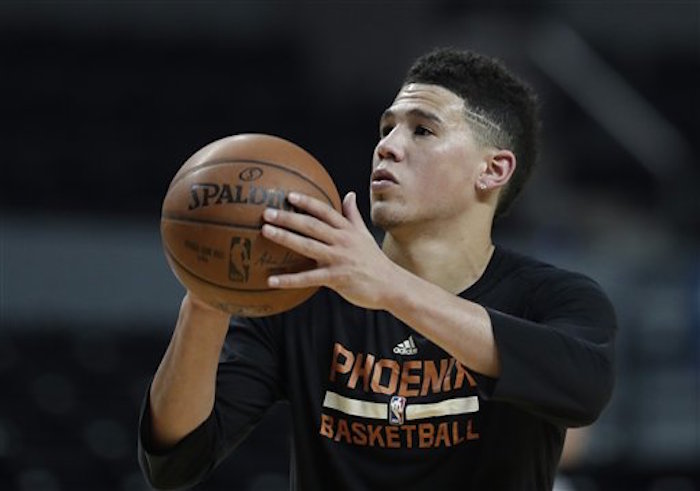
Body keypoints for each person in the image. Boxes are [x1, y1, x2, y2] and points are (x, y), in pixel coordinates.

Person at [138, 48, 616, 490]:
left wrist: (389, 288)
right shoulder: (298, 294)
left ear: (492, 170)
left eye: (422, 130)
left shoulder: (553, 296)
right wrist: (207, 296)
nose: (387, 146)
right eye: (386, 128)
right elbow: (175, 460)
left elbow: (585, 385)